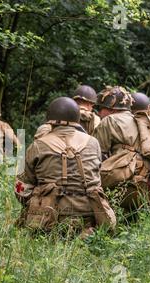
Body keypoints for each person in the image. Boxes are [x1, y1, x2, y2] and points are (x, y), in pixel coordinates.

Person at [15, 97, 116, 238]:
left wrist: (33, 204)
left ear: (49, 120)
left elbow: (22, 189)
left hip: (48, 219)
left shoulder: (38, 145)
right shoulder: (93, 143)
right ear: (77, 118)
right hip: (91, 217)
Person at [93, 86, 150, 211]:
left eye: (100, 108)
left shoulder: (109, 120)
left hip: (126, 191)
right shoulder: (144, 121)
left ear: (110, 108)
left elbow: (95, 157)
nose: (99, 113)